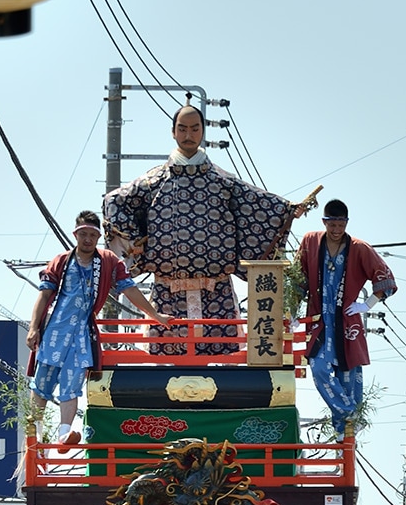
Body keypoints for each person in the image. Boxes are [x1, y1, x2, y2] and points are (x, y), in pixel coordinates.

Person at [103, 103, 309, 358]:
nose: (188, 135)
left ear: (202, 132)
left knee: (226, 363)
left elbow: (259, 203)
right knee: (164, 369)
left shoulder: (223, 181)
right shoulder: (152, 182)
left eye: (194, 129)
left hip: (217, 292)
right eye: (182, 129)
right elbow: (114, 202)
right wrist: (136, 243)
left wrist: (287, 210)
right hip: (167, 292)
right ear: (173, 132)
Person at [27, 210, 162, 444]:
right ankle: (35, 433)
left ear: (98, 236)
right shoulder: (61, 261)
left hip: (82, 334)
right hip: (55, 330)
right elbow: (44, 293)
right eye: (83, 234)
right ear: (75, 235)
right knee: (41, 384)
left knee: (72, 384)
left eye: (92, 235)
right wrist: (33, 327)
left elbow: (129, 289)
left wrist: (155, 315)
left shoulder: (108, 261)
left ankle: (64, 433)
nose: (87, 239)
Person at [298, 200, 397, 436]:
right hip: (319, 319)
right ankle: (350, 413)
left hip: (346, 320)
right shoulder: (311, 241)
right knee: (318, 367)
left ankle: (345, 430)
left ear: (346, 223)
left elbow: (386, 278)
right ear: (324, 223)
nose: (336, 230)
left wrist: (367, 304)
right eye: (332, 224)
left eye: (341, 224)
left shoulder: (359, 248)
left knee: (348, 376)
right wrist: (292, 311)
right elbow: (298, 277)